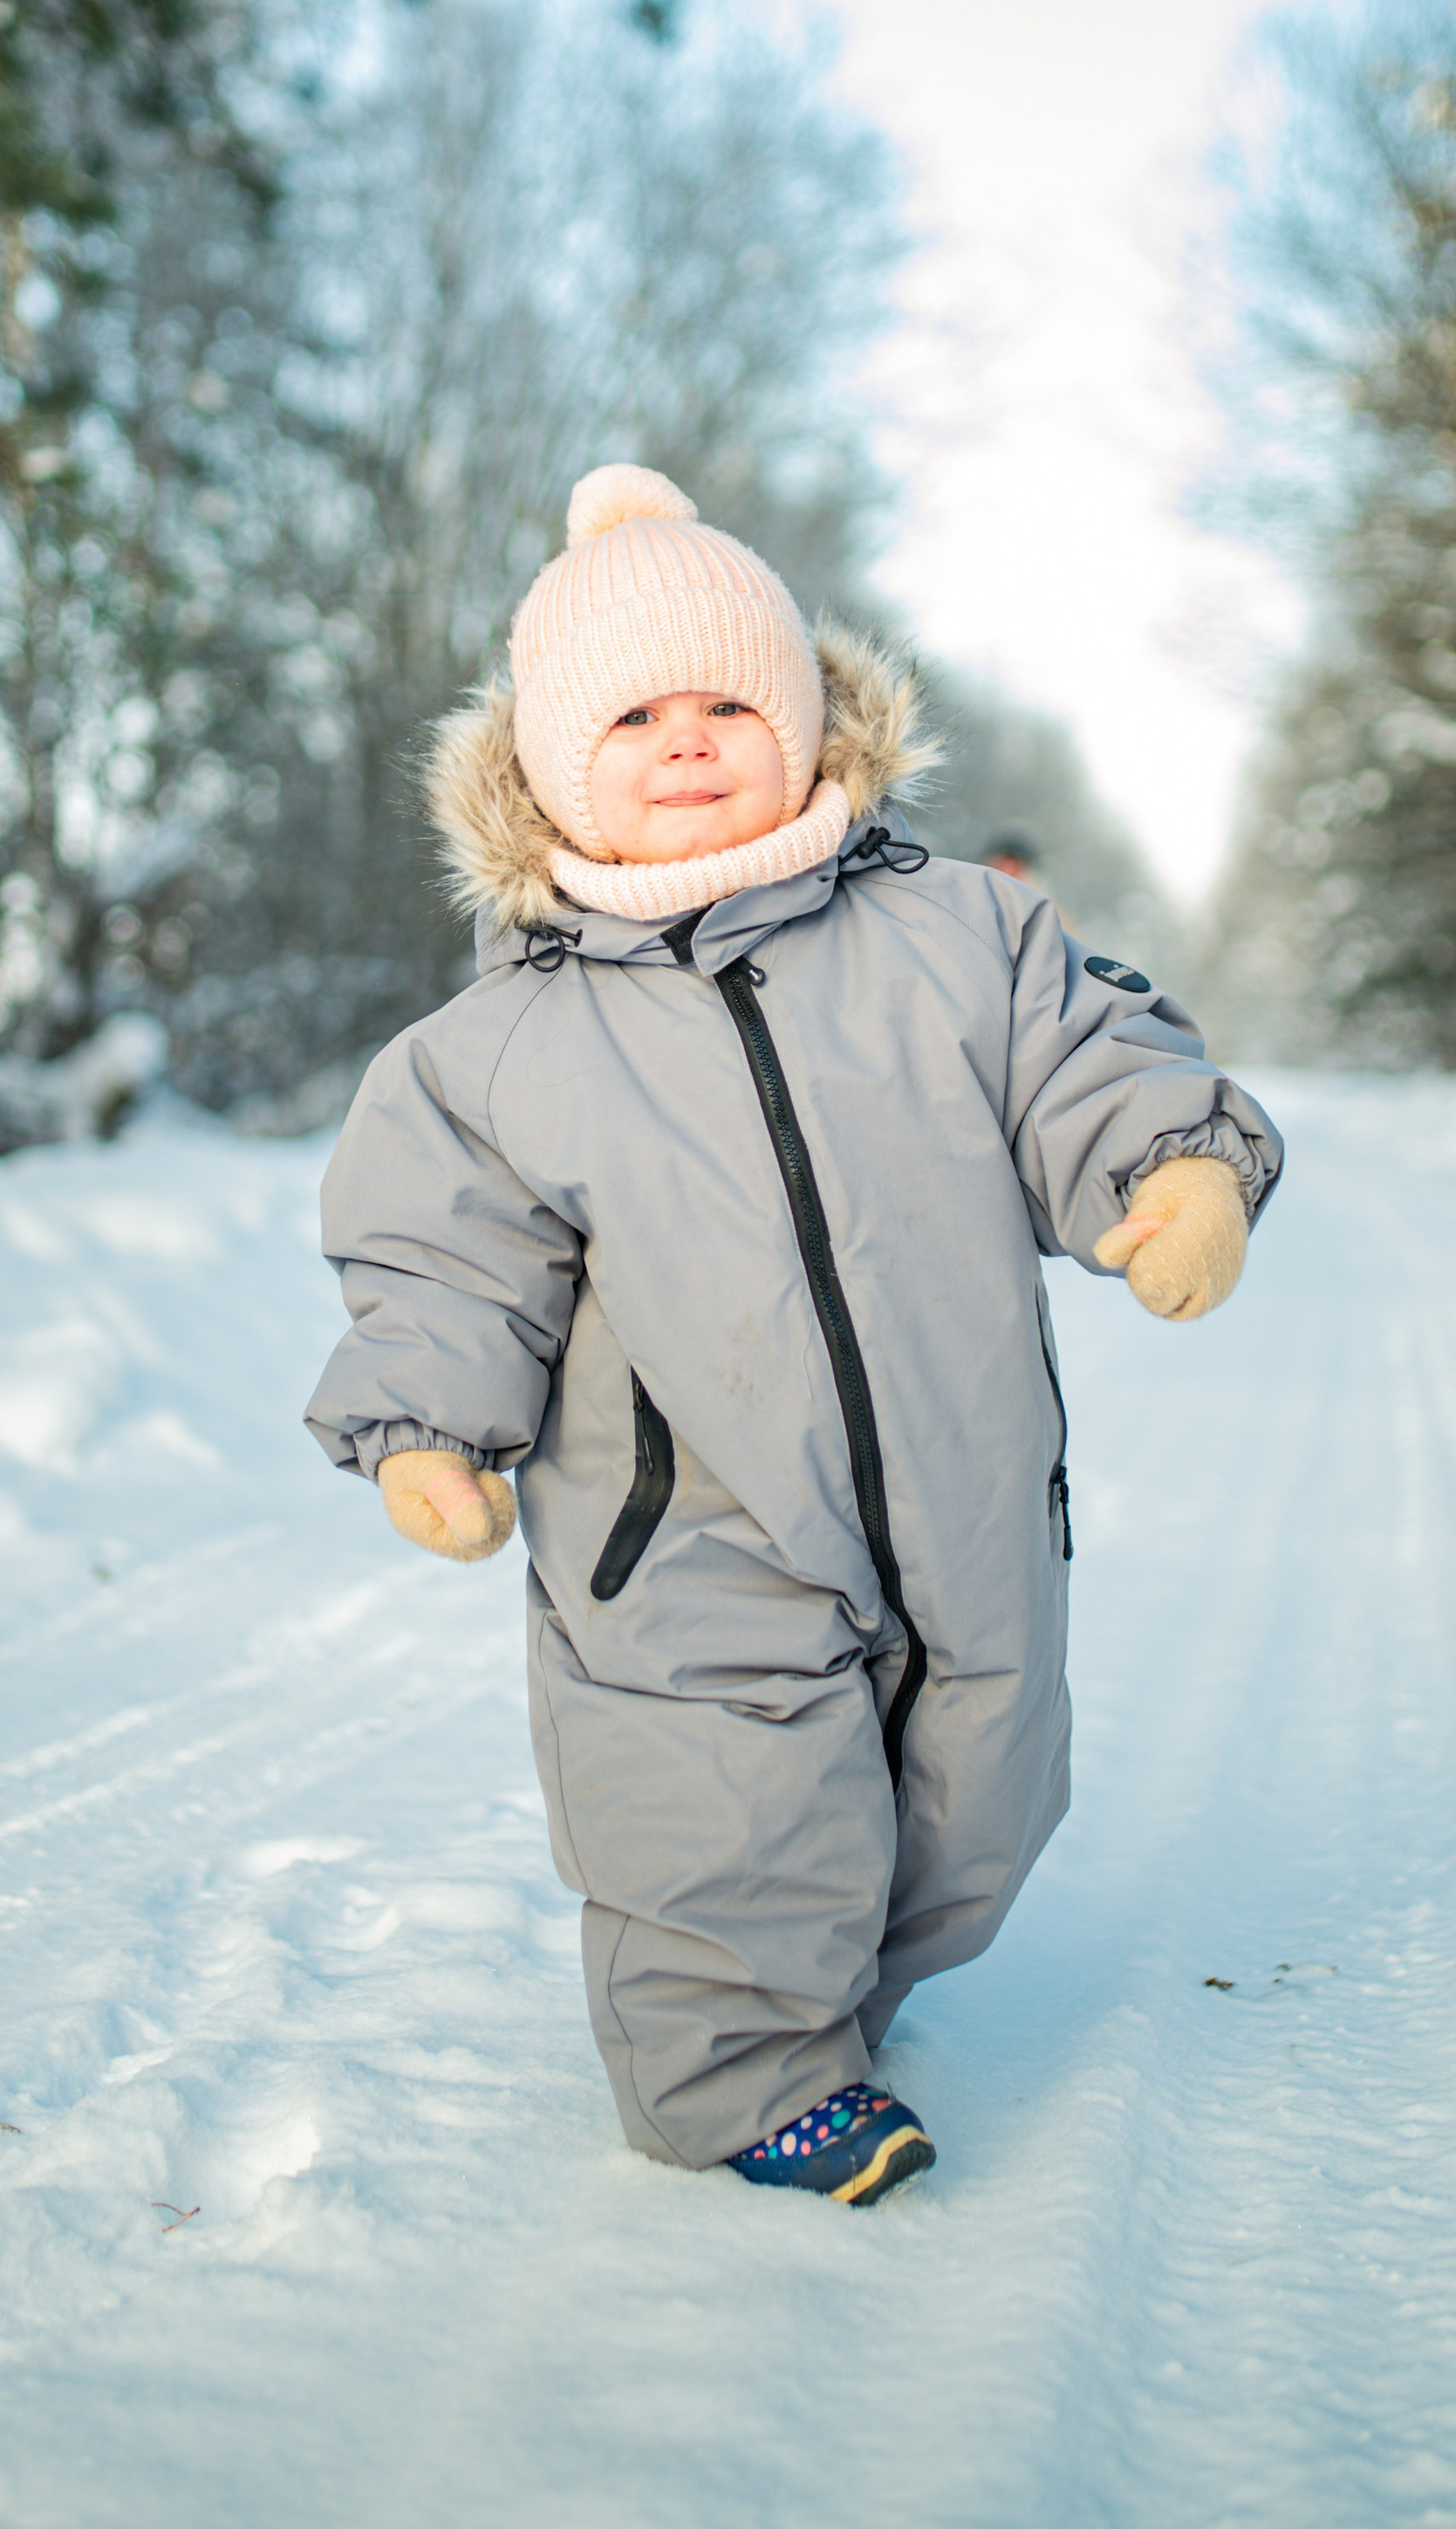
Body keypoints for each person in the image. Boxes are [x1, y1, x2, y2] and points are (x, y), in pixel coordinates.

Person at [305, 466, 1282, 2207]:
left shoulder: (961, 931)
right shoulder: (494, 1050)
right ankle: (738, 2076)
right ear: (543, 766)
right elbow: (440, 1260)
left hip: (963, 1492)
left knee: (974, 1790)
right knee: (716, 1803)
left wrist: (1173, 1168)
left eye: (729, 704)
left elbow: (1093, 1058)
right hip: (682, 1531)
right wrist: (425, 1426)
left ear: (812, 721)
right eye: (632, 717)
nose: (686, 743)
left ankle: (838, 1997)